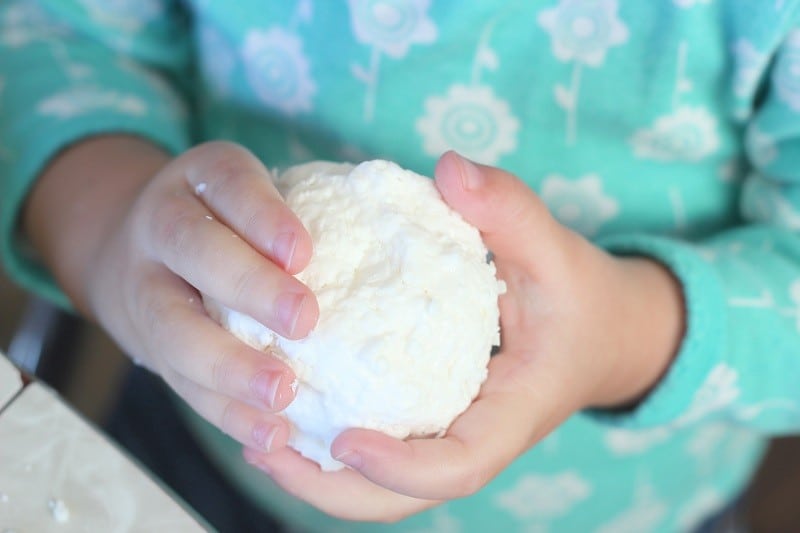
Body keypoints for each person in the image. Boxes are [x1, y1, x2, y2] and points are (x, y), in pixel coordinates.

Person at [1, 1, 798, 531]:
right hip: (211, 452)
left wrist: (621, 334)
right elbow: (58, 37)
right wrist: (116, 232)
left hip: (622, 507)